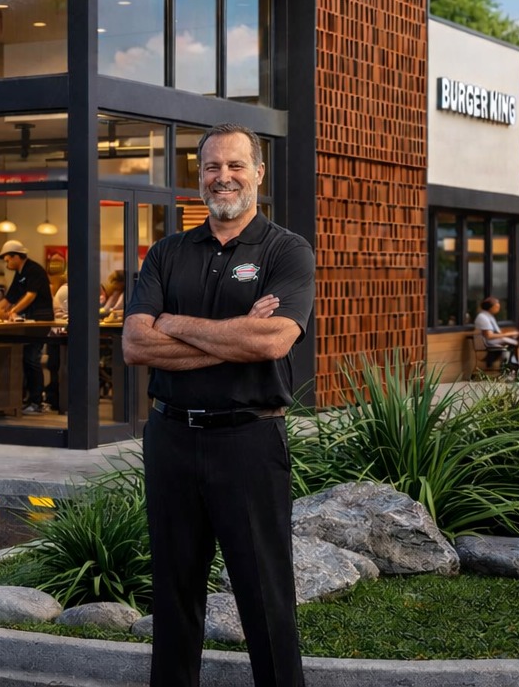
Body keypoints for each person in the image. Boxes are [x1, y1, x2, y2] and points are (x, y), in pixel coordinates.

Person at [122, 123, 315, 687]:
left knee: (264, 593)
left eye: (235, 165)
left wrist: (174, 325)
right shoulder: (167, 251)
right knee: (175, 590)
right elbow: (136, 344)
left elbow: (273, 340)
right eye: (211, 167)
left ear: (258, 173)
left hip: (248, 441)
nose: (222, 176)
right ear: (198, 175)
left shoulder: (286, 250)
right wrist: (233, 337)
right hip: (171, 440)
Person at [0, 239, 57, 413]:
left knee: (31, 359)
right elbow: (10, 297)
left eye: (7, 260)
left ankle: (36, 402)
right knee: (27, 359)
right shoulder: (20, 273)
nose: (6, 263)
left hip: (41, 320)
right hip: (30, 322)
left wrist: (12, 311)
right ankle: (28, 399)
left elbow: (30, 295)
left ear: (16, 257)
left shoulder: (33, 270)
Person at [474, 296, 519, 365]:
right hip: (487, 341)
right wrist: (507, 335)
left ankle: (508, 361)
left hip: (492, 339)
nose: (499, 309)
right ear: (490, 307)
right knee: (514, 342)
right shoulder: (483, 317)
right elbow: (489, 336)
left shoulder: (489, 316)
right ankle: (509, 362)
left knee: (514, 341)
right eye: (497, 307)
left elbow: (497, 331)